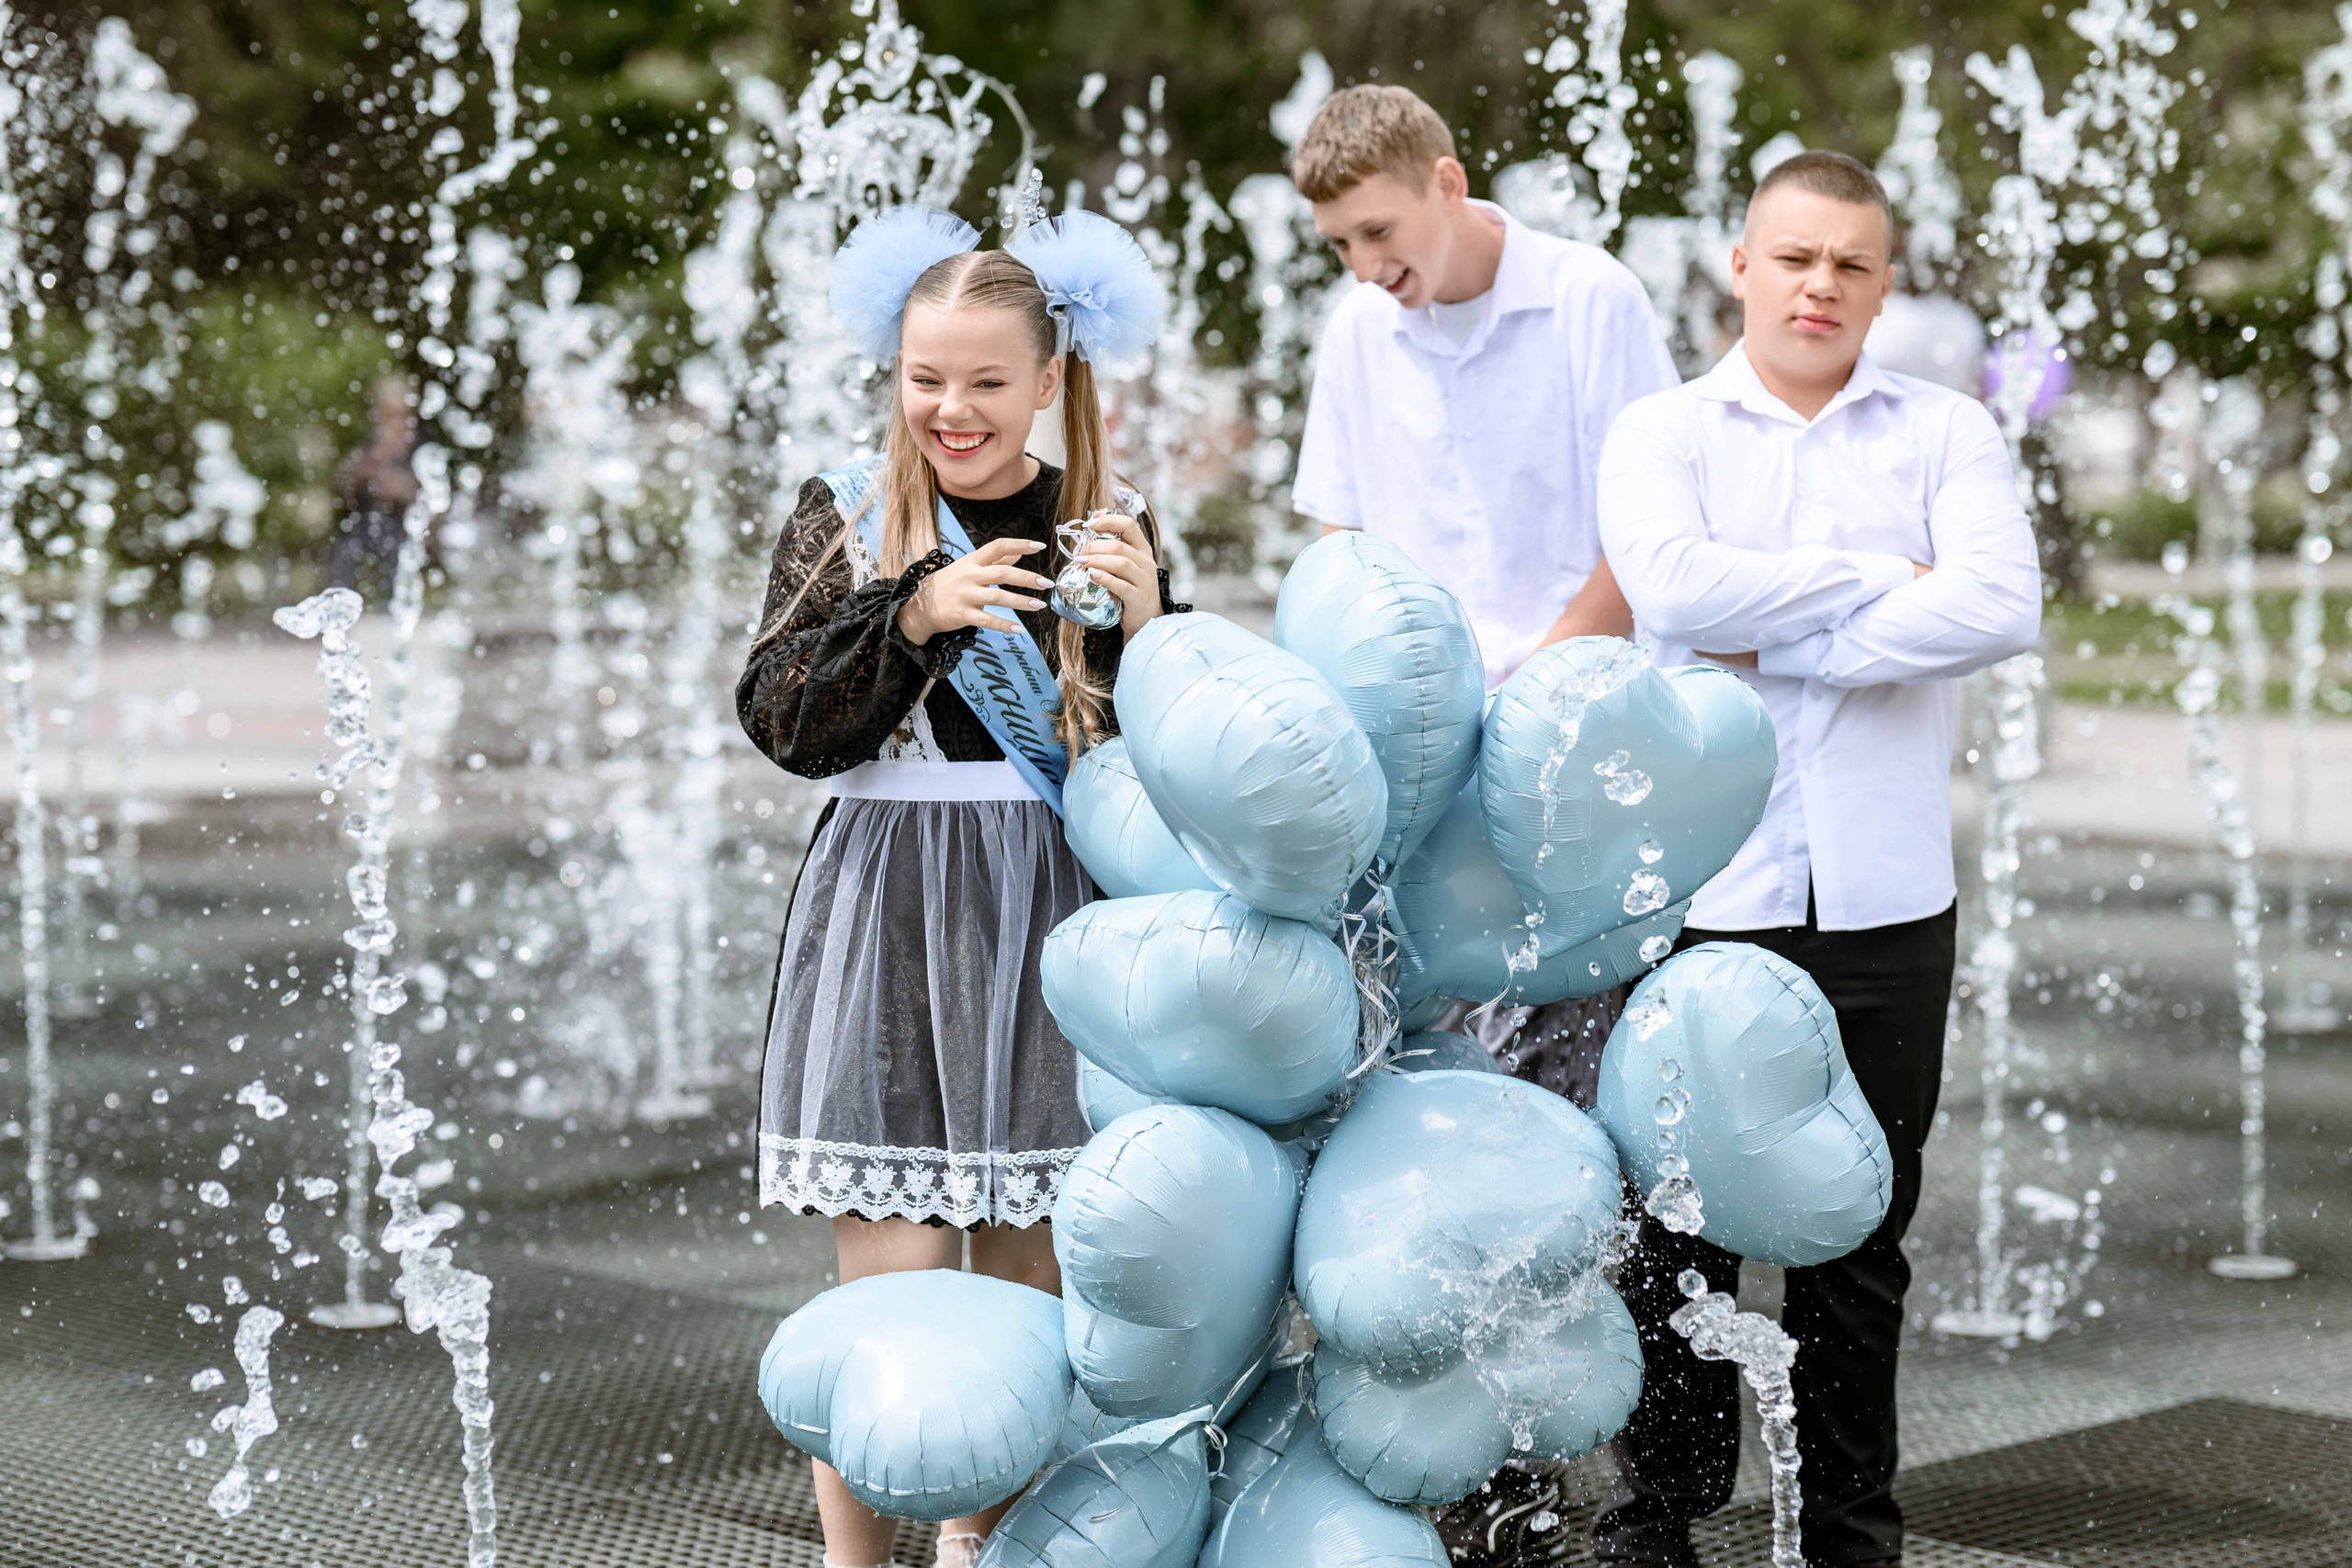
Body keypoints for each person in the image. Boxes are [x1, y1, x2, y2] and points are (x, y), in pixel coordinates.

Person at [1594, 151, 2041, 1566]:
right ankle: (1655, 1516)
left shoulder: (1946, 432)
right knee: (1674, 1233)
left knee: (1862, 1242)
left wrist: (1770, 620)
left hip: (1885, 898)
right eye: (1795, 257)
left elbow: (1999, 604)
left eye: (1850, 263)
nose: (1820, 285)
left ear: (1884, 282)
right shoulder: (1662, 432)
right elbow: (1668, 587)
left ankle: (1853, 1531)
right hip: (1703, 896)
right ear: (1741, 263)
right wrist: (1879, 585)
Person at [735, 207, 1175, 1568]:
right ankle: (855, 1558)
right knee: (899, 1281)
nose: (952, 408)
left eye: (987, 380)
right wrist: (914, 616)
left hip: (1054, 908)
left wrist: (1158, 629)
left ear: (1049, 379)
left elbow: (1173, 756)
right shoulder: (850, 508)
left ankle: (982, 1545)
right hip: (891, 905)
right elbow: (781, 717)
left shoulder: (1106, 522)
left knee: (1030, 1270)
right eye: (927, 377)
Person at [1289, 84, 1680, 694]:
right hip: (1419, 717)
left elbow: (1649, 536)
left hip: (1584, 705)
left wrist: (1527, 698)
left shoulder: (1595, 298)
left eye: (1377, 231)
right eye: (1340, 243)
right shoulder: (1353, 328)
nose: (1363, 268)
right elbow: (1345, 548)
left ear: (1447, 184)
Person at [332, 374, 421, 595]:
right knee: (348, 549)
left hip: (404, 525)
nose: (395, 422)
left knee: (396, 551)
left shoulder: (420, 446)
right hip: (365, 521)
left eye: (401, 415)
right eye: (388, 415)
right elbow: (344, 481)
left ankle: (390, 605)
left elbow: (430, 489)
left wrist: (403, 488)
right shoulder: (369, 443)